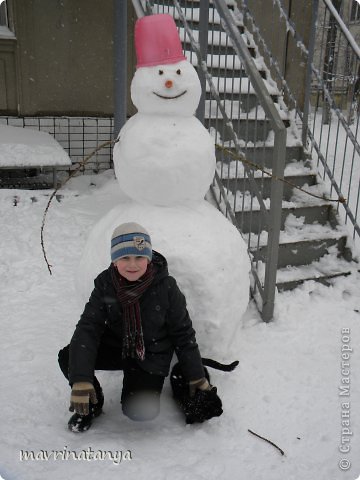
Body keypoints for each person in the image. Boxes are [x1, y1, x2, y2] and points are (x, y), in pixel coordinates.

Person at [58, 222, 222, 432]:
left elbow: (182, 333)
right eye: (125, 257)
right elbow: (88, 327)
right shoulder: (105, 284)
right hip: (119, 345)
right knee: (69, 356)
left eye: (139, 257)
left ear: (149, 258)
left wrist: (196, 375)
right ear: (115, 260)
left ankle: (168, 379)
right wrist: (81, 379)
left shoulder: (166, 287)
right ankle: (91, 404)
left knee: (140, 412)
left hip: (151, 353)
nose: (132, 265)